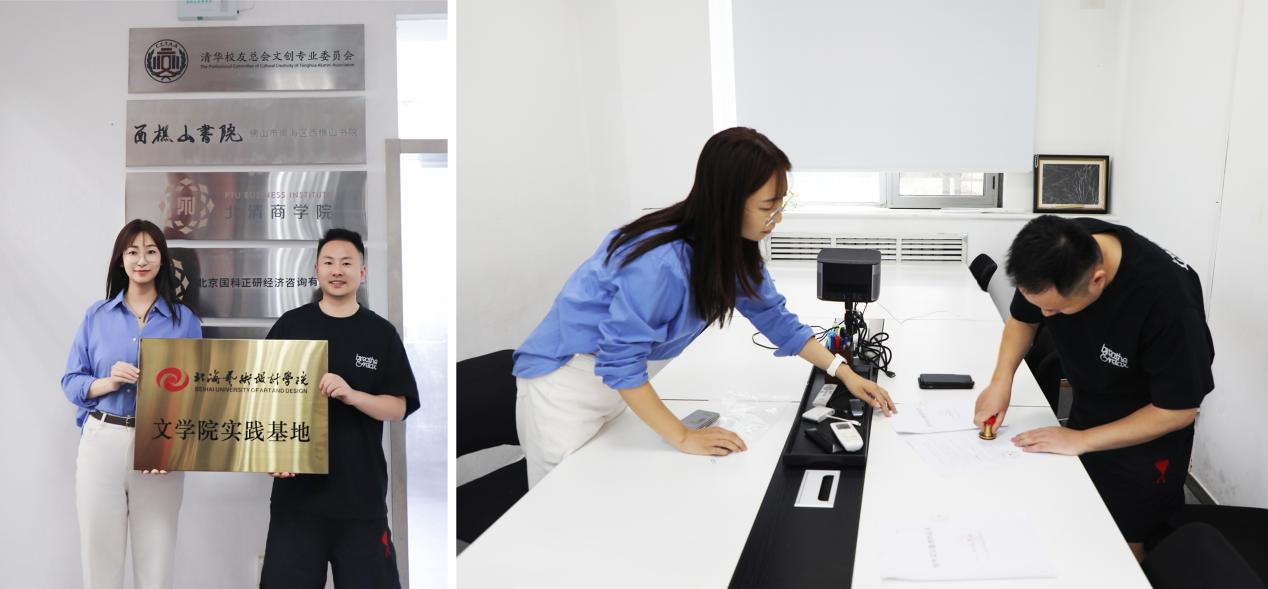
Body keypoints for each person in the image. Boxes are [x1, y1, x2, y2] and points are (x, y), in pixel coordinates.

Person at [513, 127, 895, 488]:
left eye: (781, 204)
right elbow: (620, 359)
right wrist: (682, 436)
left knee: (612, 489)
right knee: (562, 504)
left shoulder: (731, 249)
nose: (776, 218)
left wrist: (843, 372)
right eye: (768, 206)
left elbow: (776, 319)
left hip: (616, 383)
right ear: (728, 202)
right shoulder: (660, 261)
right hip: (564, 384)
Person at [973, 215, 1214, 560]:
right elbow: (1023, 320)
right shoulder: (1056, 253)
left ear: (1097, 281)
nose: (1044, 315)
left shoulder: (1168, 303)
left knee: (1123, 542)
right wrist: (1001, 380)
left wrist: (1083, 439)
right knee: (1080, 520)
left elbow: (1178, 410)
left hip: (1147, 435)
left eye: (1053, 309)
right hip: (1090, 407)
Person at [259, 228, 419, 589]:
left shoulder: (380, 333)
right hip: (297, 500)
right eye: (328, 262)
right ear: (316, 270)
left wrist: (353, 395)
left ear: (362, 272)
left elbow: (398, 407)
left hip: (360, 498)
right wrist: (270, 454)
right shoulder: (291, 325)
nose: (337, 270)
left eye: (347, 263)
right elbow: (261, 397)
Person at [61, 219, 202, 589]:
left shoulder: (184, 321)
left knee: (156, 563)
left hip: (160, 446)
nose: (142, 260)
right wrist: (107, 382)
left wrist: (174, 448)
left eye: (151, 251)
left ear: (162, 259)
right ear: (120, 259)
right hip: (102, 439)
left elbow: (198, 393)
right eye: (133, 251)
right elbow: (71, 381)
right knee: (100, 561)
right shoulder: (97, 316)